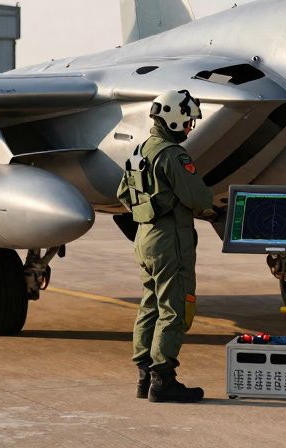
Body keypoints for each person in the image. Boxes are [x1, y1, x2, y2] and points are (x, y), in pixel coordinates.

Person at [116, 89, 214, 403]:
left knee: (150, 306)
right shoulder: (173, 155)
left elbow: (122, 194)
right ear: (173, 118)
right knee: (174, 308)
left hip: (145, 239)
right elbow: (199, 198)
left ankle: (144, 376)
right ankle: (163, 379)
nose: (189, 129)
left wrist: (150, 208)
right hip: (171, 241)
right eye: (187, 123)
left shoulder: (141, 151)